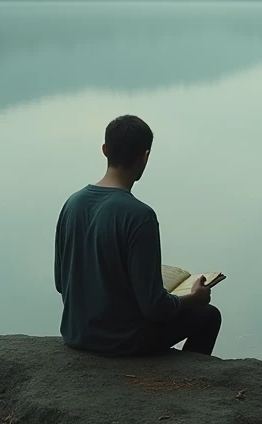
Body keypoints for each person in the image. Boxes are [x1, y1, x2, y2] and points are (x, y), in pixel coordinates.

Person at [53, 114, 222, 357]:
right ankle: (188, 383)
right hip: (122, 342)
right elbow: (155, 308)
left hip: (76, 334)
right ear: (145, 156)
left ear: (105, 150)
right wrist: (194, 298)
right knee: (208, 316)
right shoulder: (140, 216)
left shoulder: (72, 204)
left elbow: (61, 283)